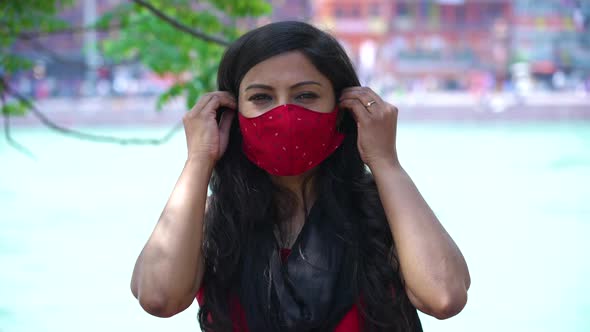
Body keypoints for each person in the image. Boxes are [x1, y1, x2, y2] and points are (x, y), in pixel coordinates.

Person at [130, 21, 470, 332]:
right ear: (232, 113)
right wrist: (198, 160)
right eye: (261, 97)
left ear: (341, 109)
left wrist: (385, 161)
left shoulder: (383, 214)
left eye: (305, 95)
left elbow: (443, 297)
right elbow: (159, 297)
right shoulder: (212, 220)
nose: (285, 114)